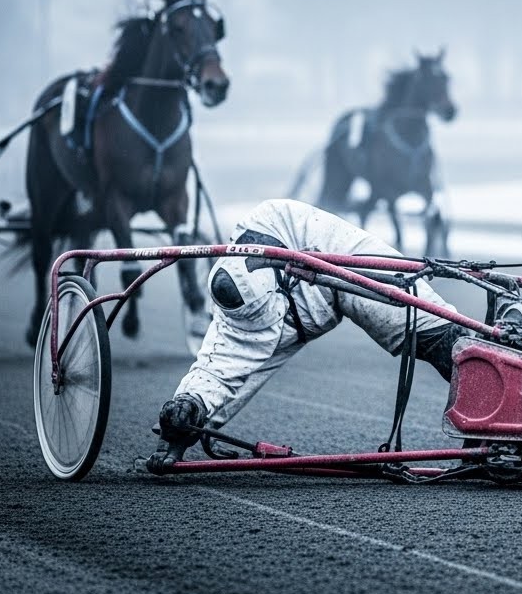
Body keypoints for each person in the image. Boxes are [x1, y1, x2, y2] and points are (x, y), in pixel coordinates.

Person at [151, 199, 469, 465]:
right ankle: (187, 423)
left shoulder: (291, 224)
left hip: (328, 256)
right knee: (206, 393)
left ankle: (490, 414)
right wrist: (185, 409)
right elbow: (216, 364)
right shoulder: (233, 305)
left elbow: (407, 297)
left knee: (432, 330)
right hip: (293, 305)